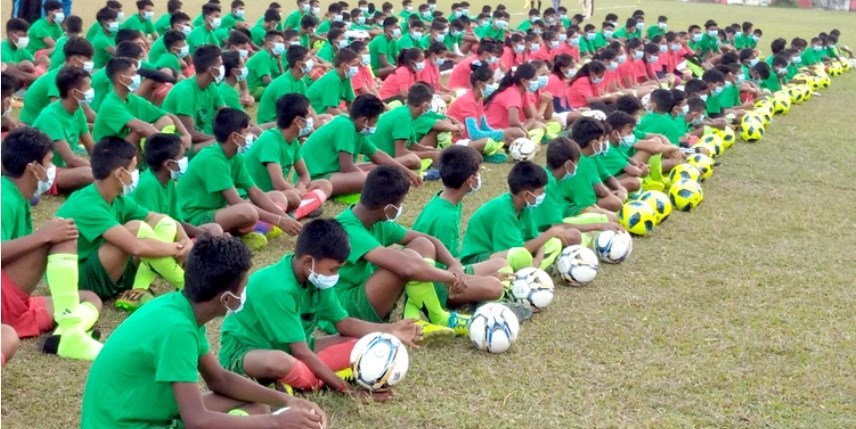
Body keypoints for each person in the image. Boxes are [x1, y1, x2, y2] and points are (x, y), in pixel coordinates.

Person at [81, 235, 328, 429]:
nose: (246, 293)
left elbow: (219, 378)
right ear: (227, 298)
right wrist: (277, 422)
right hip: (129, 424)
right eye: (244, 286)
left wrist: (285, 401)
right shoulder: (177, 330)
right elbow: (197, 420)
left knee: (256, 407)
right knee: (259, 419)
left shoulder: (180, 308)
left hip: (141, 415)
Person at [218, 219, 421, 396]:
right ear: (308, 261)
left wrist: (391, 330)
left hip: (297, 348)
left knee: (362, 342)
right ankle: (312, 381)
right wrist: (347, 391)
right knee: (279, 362)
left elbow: (344, 323)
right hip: (247, 353)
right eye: (333, 269)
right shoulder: (277, 288)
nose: (336, 275)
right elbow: (302, 352)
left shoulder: (317, 279)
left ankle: (295, 380)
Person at [332, 166, 473, 337]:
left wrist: (453, 265)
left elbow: (430, 240)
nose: (400, 208)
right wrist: (451, 278)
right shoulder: (348, 229)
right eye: (400, 203)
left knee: (422, 244)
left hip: (367, 289)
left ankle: (412, 318)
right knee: (405, 263)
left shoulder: (375, 220)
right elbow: (407, 268)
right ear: (388, 206)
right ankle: (440, 317)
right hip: (347, 309)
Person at [1, 127, 104, 361]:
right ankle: (71, 337)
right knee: (62, 230)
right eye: (48, 163)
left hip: (16, 303)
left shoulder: (17, 197)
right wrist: (43, 236)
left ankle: (65, 333)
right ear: (33, 168)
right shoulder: (4, 198)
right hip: (4, 298)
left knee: (90, 299)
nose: (52, 170)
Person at [56, 137, 191, 311]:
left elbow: (161, 219)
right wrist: (177, 248)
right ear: (120, 174)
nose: (137, 174)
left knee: (165, 223)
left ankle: (138, 290)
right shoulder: (88, 204)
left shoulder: (118, 199)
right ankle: (187, 285)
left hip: (109, 271)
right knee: (135, 228)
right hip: (81, 282)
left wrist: (185, 239)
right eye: (134, 169)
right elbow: (135, 247)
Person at [177, 108, 302, 250]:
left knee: (276, 196)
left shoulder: (235, 156)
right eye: (247, 132)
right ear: (234, 137)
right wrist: (279, 221)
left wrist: (285, 219)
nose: (252, 136)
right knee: (248, 213)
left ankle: (248, 231)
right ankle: (244, 232)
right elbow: (236, 202)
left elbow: (255, 192)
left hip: (220, 210)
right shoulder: (213, 160)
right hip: (195, 217)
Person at [412, 146, 508, 306]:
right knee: (494, 286)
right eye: (477, 173)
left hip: (450, 270)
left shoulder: (445, 200)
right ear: (470, 180)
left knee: (502, 264)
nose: (479, 177)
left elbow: (453, 264)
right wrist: (484, 279)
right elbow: (445, 276)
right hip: (437, 286)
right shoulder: (446, 219)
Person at [302, 94, 422, 196]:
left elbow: (378, 155)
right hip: (318, 177)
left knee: (376, 168)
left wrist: (407, 172)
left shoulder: (356, 129)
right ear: (365, 121)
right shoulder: (345, 126)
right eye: (374, 122)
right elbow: (347, 167)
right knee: (367, 179)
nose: (374, 126)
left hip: (333, 172)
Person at [243, 94, 333, 219]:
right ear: (297, 121)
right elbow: (278, 184)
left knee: (324, 184)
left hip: (278, 195)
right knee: (291, 197)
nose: (313, 119)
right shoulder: (270, 139)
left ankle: (293, 212)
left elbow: (305, 175)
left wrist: (300, 187)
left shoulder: (293, 140)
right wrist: (297, 192)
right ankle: (295, 211)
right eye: (309, 116)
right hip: (255, 197)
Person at [132, 133, 224, 239]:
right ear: (169, 165)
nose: (185, 159)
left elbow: (177, 221)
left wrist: (201, 234)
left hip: (168, 231)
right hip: (153, 239)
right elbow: (150, 230)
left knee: (214, 229)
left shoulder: (168, 180)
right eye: (181, 157)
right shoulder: (148, 186)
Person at [93, 57, 191, 154]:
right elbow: (142, 128)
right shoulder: (111, 104)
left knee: (165, 120)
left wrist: (186, 135)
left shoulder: (131, 98)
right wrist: (173, 145)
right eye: (133, 74)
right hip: (109, 153)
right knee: (139, 130)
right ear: (121, 79)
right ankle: (157, 152)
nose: (138, 76)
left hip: (124, 144)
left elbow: (169, 115)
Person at [31, 67, 95, 194]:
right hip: (42, 172)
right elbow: (70, 159)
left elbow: (91, 147)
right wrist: (103, 171)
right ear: (75, 93)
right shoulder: (50, 117)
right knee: (89, 174)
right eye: (88, 87)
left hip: (62, 169)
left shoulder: (77, 110)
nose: (91, 91)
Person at [162, 44, 227, 153]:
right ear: (212, 70)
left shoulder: (211, 86)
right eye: (220, 64)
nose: (223, 68)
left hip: (203, 139)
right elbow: (190, 133)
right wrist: (218, 138)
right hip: (182, 148)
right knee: (226, 144)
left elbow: (226, 113)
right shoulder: (185, 92)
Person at [19, 36, 95, 125]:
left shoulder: (76, 78)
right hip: (33, 125)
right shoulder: (57, 80)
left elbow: (87, 112)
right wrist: (96, 127)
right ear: (74, 60)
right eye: (88, 60)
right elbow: (59, 117)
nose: (91, 63)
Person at [371, 82, 437, 168]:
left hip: (389, 157)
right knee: (412, 160)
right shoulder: (403, 117)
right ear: (425, 105)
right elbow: (400, 153)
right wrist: (430, 154)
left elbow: (412, 145)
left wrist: (436, 152)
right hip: (378, 161)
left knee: (430, 149)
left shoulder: (405, 112)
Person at [306, 48, 360, 116]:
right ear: (344, 65)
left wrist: (357, 116)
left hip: (326, 113)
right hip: (316, 115)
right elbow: (331, 110)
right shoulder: (333, 79)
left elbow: (350, 101)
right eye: (354, 65)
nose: (356, 68)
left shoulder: (345, 77)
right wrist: (351, 120)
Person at [2, 18, 48, 86]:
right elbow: (15, 74)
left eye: (27, 35)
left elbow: (33, 62)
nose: (26, 38)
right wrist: (42, 79)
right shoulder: (2, 51)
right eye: (23, 35)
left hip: (18, 82)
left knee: (43, 59)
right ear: (11, 35)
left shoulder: (20, 49)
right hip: (6, 85)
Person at [246, 30, 286, 100]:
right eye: (279, 42)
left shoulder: (273, 57)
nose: (282, 45)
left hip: (264, 88)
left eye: (283, 43)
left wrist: (280, 63)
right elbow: (267, 80)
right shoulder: (264, 55)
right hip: (255, 90)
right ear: (269, 44)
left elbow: (283, 78)